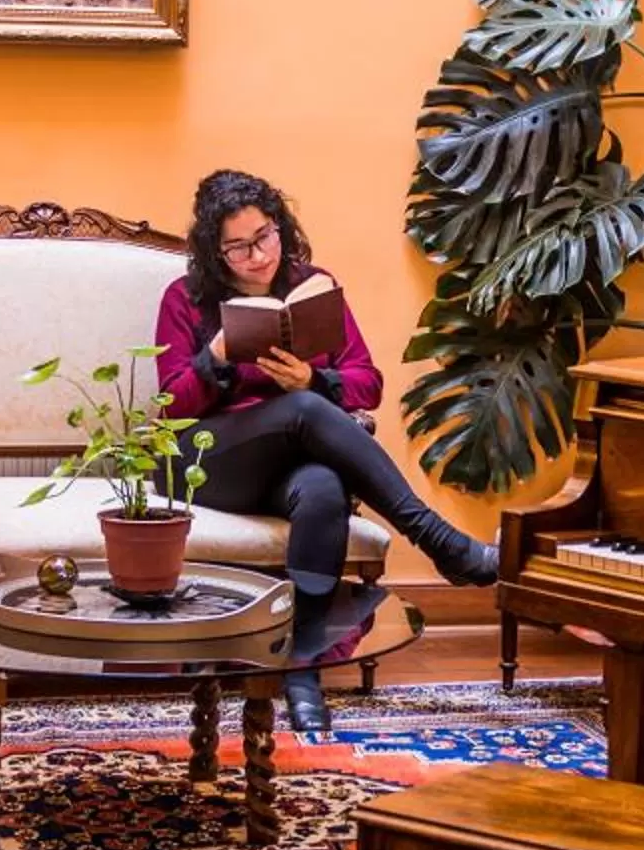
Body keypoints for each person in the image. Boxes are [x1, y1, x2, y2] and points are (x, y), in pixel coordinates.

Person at [155, 169, 498, 731]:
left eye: (264, 236)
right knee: (306, 412)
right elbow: (170, 406)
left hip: (291, 463)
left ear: (280, 226)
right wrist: (215, 356)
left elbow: (369, 382)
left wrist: (313, 380)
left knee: (323, 488)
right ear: (215, 253)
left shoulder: (312, 288)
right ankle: (441, 542)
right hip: (209, 462)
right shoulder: (185, 300)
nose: (258, 256)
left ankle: (302, 674)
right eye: (238, 248)